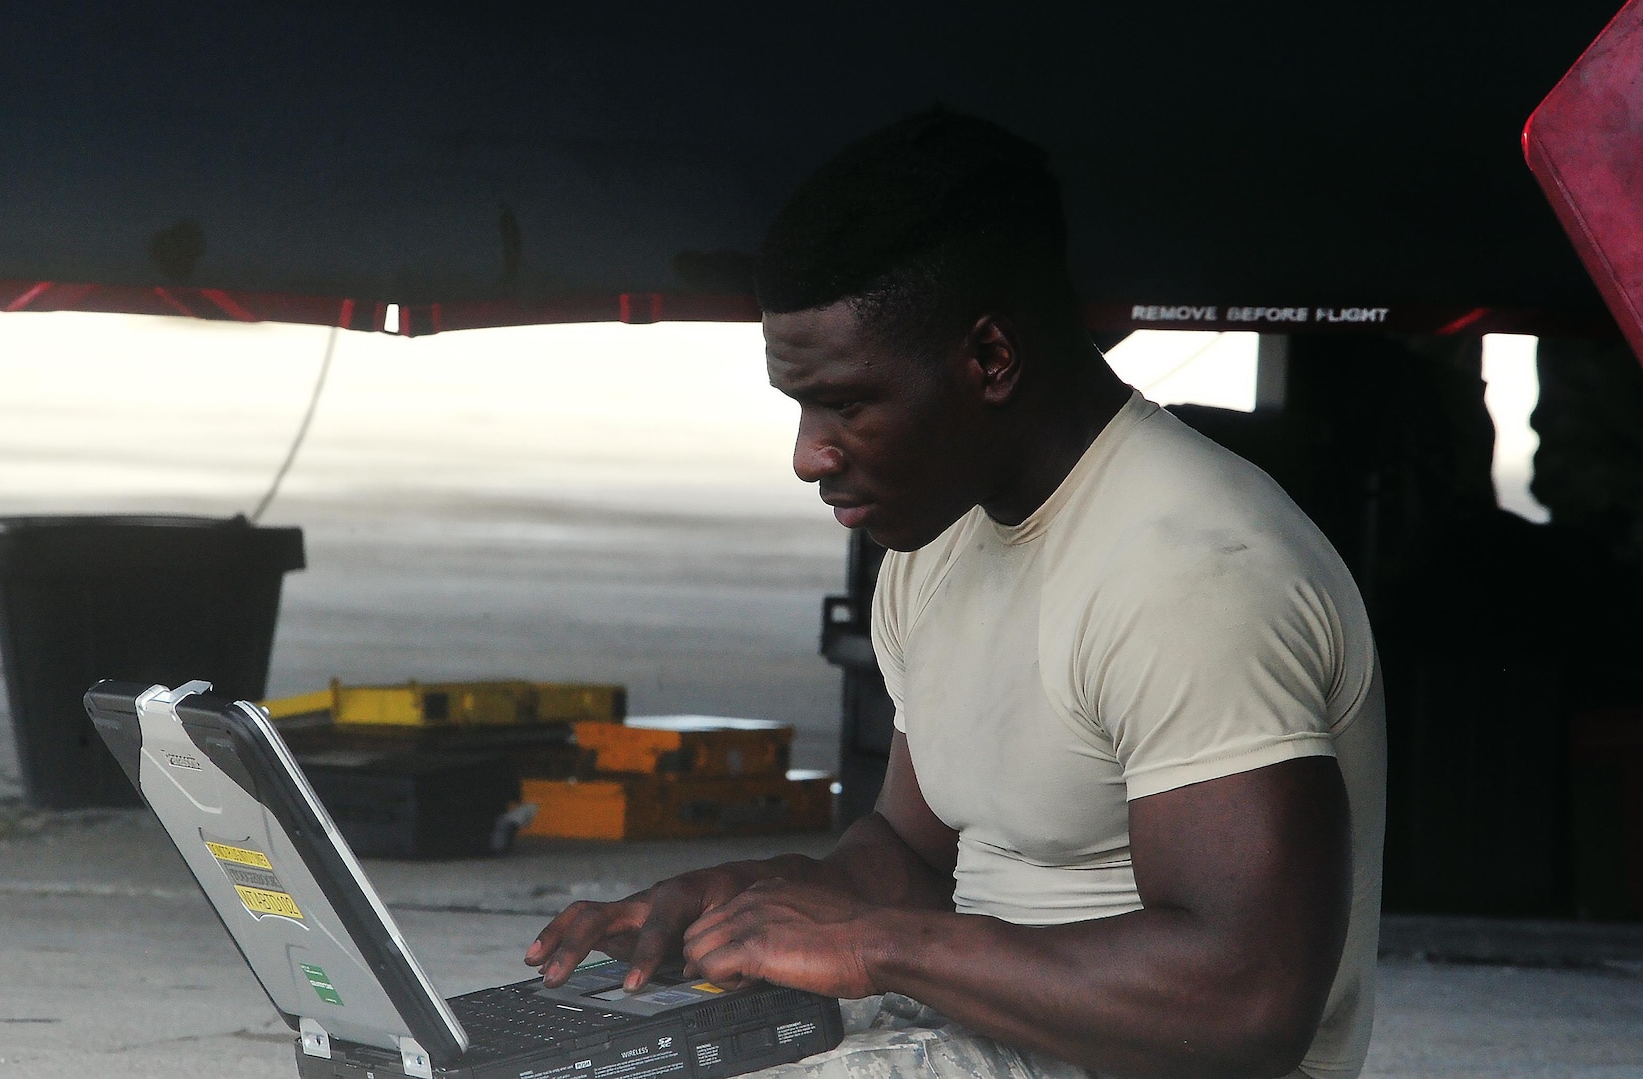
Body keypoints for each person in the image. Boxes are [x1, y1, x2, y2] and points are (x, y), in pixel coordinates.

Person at [526, 107, 1386, 1079]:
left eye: (845, 402)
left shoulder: (1197, 570)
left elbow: (1246, 1000)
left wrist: (874, 946)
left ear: (987, 358)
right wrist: (743, 898)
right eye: (802, 408)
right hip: (971, 1034)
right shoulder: (933, 548)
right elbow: (914, 852)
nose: (808, 454)